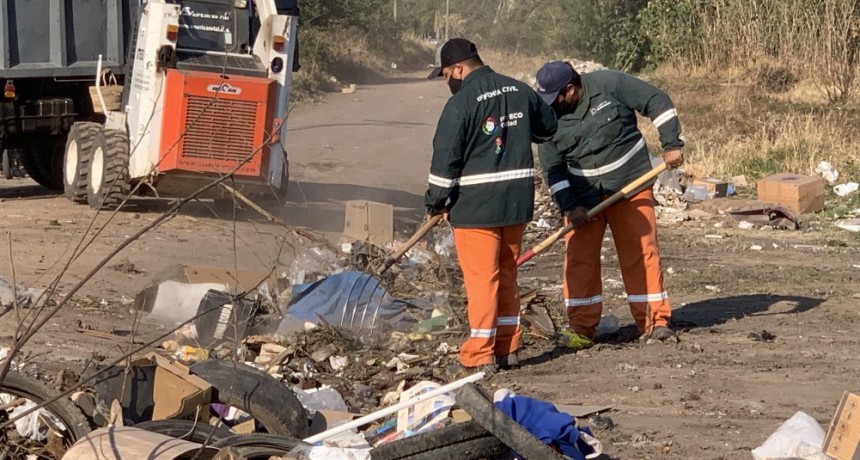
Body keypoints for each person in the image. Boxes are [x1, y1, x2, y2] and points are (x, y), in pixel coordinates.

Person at [425, 38, 558, 372]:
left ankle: (480, 354)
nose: (446, 82)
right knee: (507, 273)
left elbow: (445, 161)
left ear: (458, 68)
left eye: (445, 74)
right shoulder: (519, 90)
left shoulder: (461, 105)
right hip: (515, 203)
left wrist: (436, 204)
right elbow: (547, 128)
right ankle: (507, 347)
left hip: (476, 209)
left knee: (482, 280)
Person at [533, 61, 684, 350]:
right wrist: (570, 206)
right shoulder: (548, 118)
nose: (551, 105)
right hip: (583, 197)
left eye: (556, 98)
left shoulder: (610, 85)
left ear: (571, 88)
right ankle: (581, 327)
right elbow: (553, 169)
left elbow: (658, 101)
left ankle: (655, 322)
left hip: (631, 185)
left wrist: (671, 144)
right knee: (579, 260)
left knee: (641, 253)